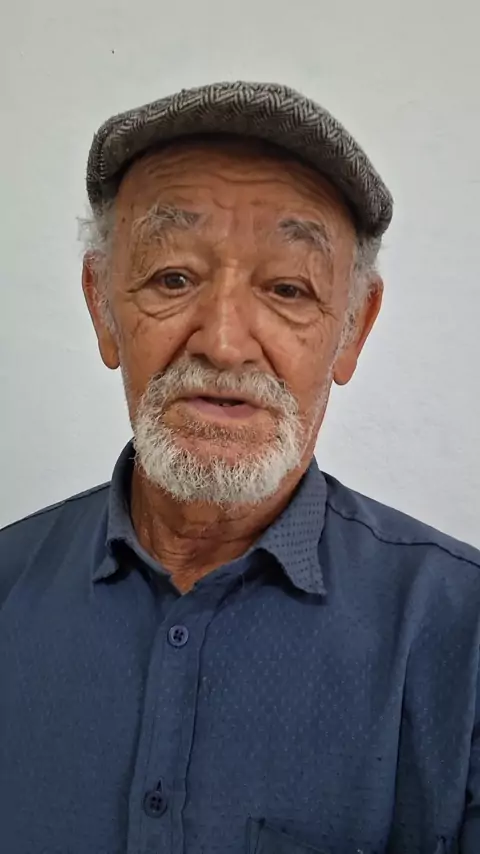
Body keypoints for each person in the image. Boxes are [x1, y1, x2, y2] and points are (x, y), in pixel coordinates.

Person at [0, 81, 479, 854]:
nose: (223, 343)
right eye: (173, 278)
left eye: (288, 288)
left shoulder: (461, 633)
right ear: (102, 307)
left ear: (353, 329)